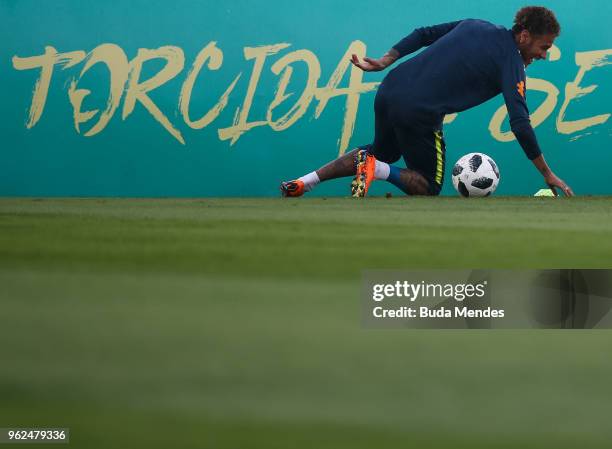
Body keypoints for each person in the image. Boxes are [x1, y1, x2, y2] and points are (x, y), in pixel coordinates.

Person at [280, 6, 574, 198]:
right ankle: (376, 170)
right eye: (543, 46)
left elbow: (423, 34)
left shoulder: (475, 24)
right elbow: (520, 123)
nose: (544, 54)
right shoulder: (511, 61)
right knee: (428, 185)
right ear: (524, 36)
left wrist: (385, 60)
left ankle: (305, 182)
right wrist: (547, 173)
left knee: (382, 150)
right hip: (418, 111)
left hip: (390, 89)